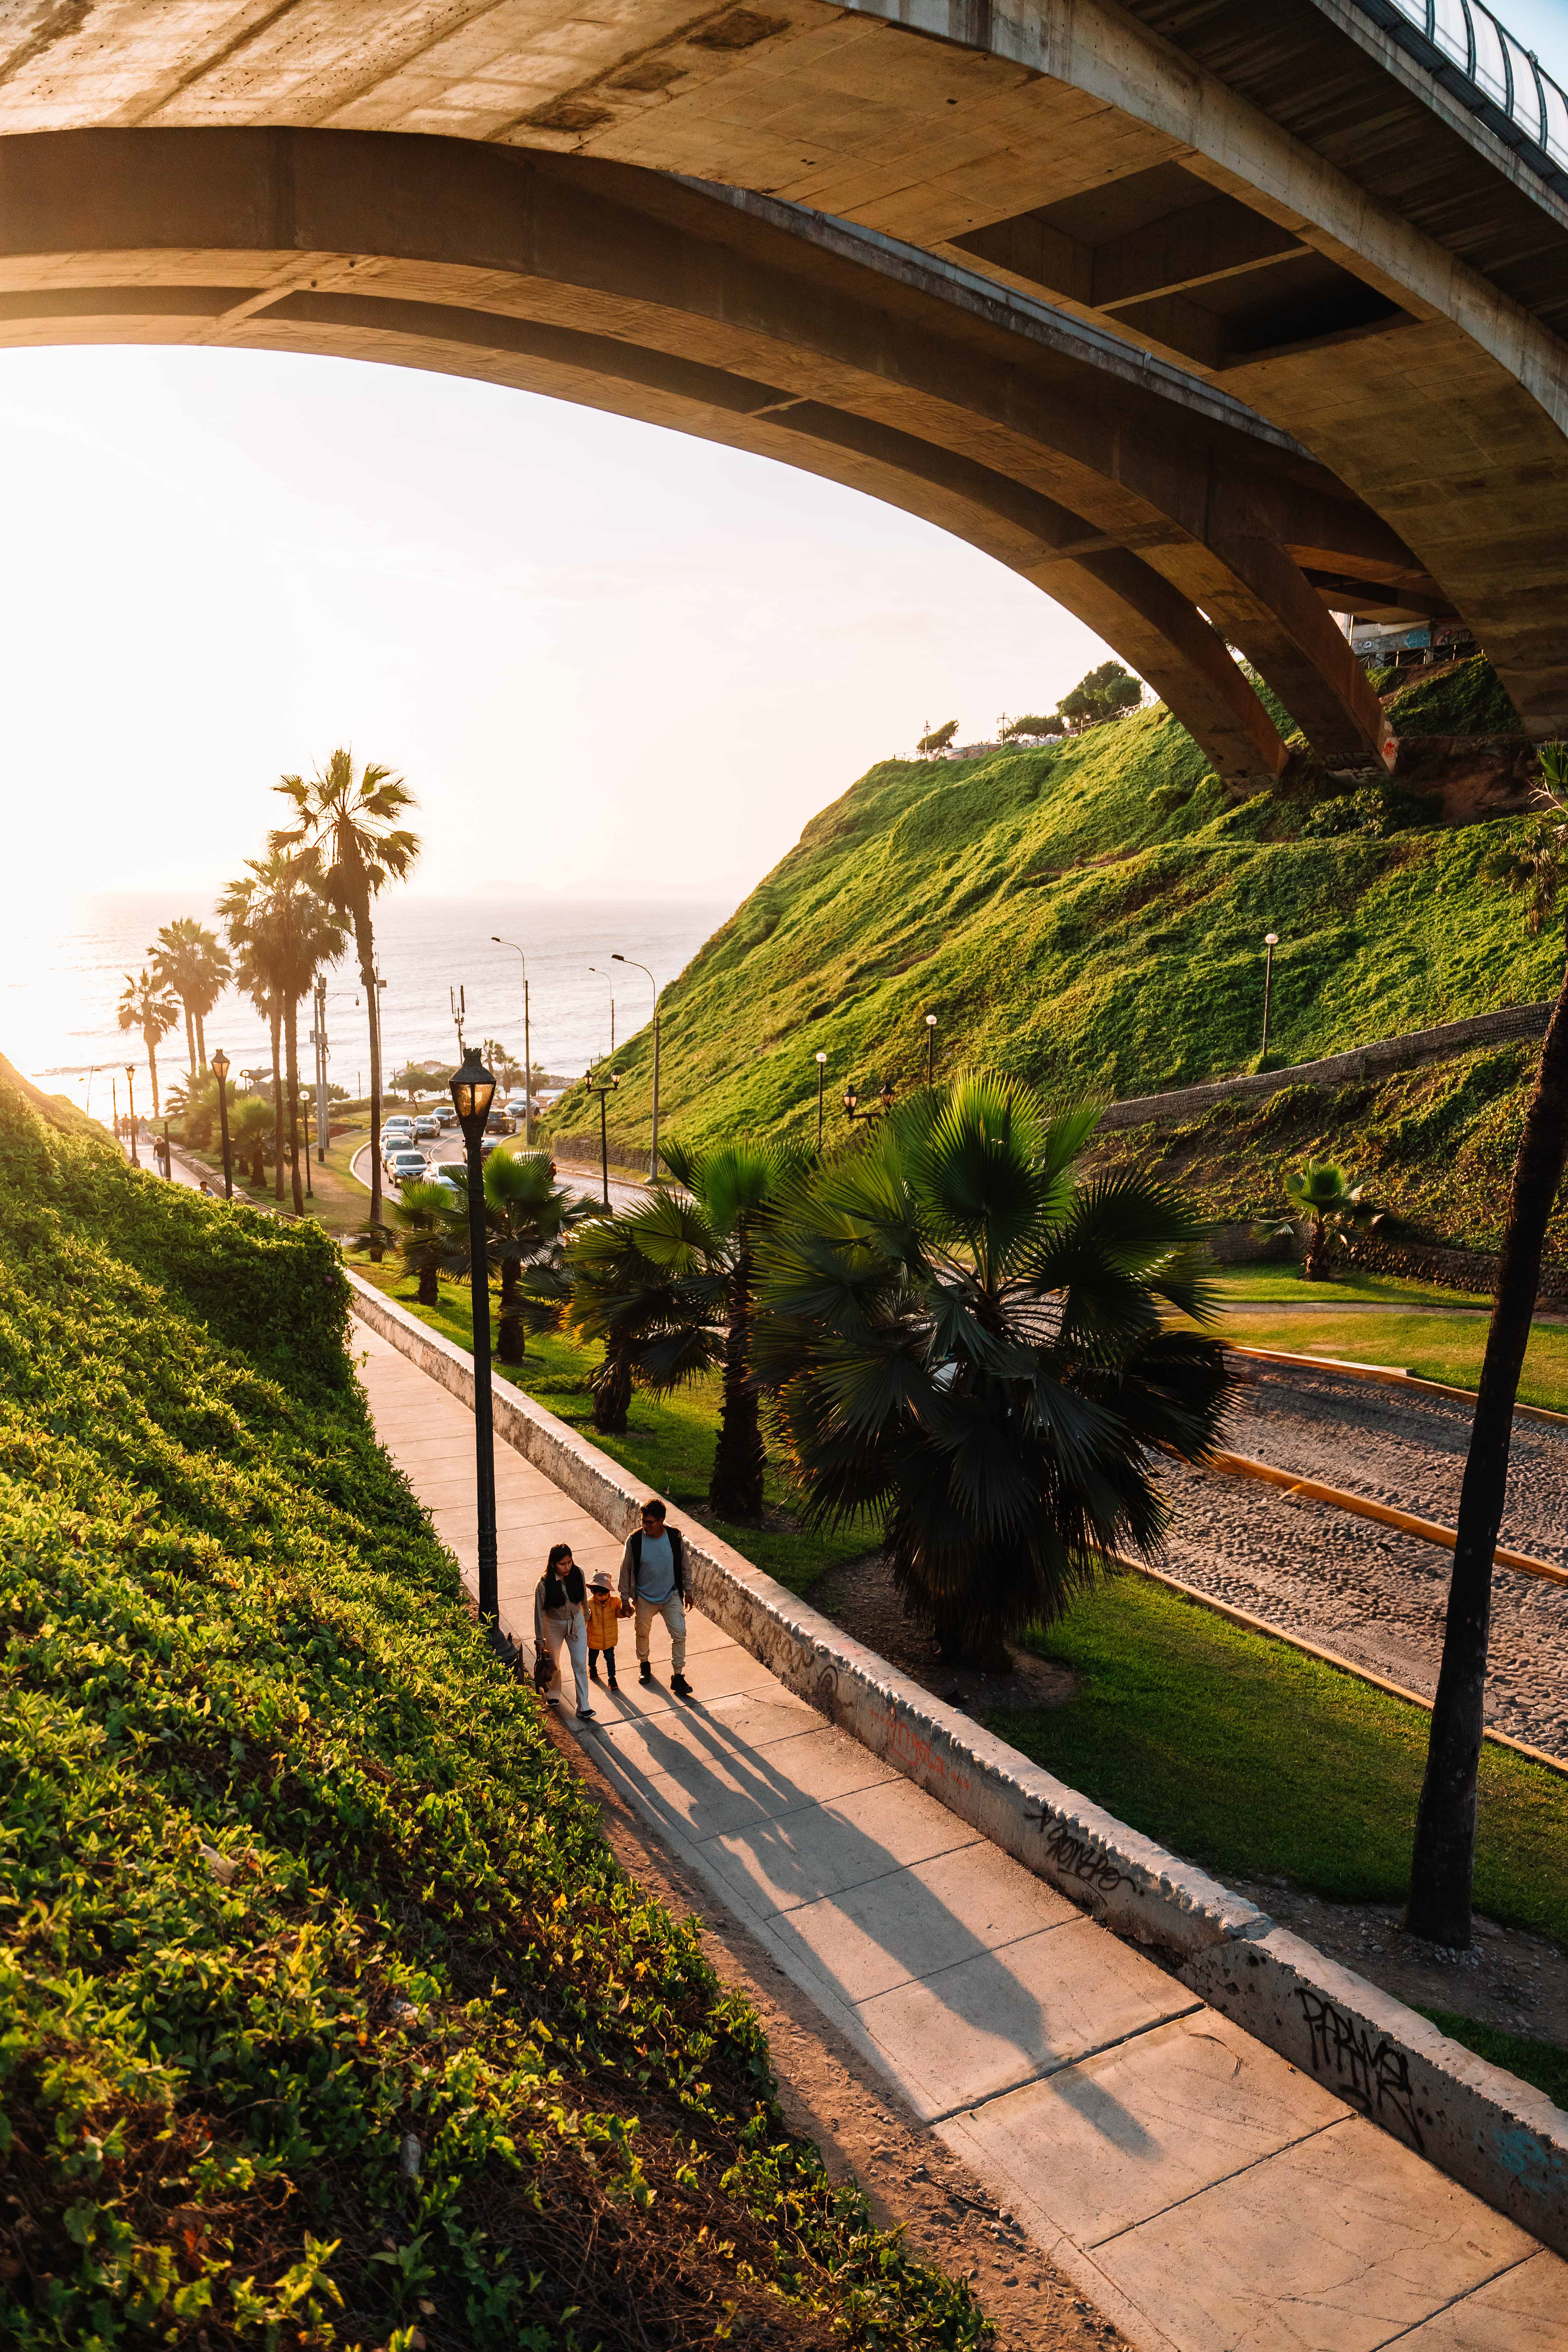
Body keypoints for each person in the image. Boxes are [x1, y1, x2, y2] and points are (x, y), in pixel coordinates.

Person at [618, 1498, 692, 1697]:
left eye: (650, 1522)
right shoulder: (635, 1541)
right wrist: (625, 1600)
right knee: (642, 1633)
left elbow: (685, 1567)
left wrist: (689, 1592)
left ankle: (678, 1676)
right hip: (644, 1598)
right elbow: (625, 1571)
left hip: (671, 1595)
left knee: (680, 1634)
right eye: (643, 1521)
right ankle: (644, 1664)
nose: (645, 1526)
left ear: (661, 1521)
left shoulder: (675, 1538)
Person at [533, 1541, 594, 1720]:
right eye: (562, 1564)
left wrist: (587, 1617)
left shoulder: (578, 1573)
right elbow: (539, 1613)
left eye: (569, 1562)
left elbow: (584, 1599)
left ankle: (584, 1706)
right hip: (554, 1624)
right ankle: (553, 1693)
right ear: (553, 1564)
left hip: (577, 1622)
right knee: (554, 1662)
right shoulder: (543, 1584)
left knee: (580, 1664)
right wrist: (539, 1640)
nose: (567, 1567)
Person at [584, 1569, 625, 1691]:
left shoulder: (615, 1602)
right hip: (594, 1638)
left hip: (609, 1639)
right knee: (593, 1655)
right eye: (600, 1595)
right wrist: (586, 1616)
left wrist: (625, 1612)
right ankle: (592, 1668)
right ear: (593, 1592)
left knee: (610, 1659)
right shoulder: (589, 1604)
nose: (603, 1597)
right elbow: (584, 1619)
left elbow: (619, 1614)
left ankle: (612, 1678)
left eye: (606, 1594)